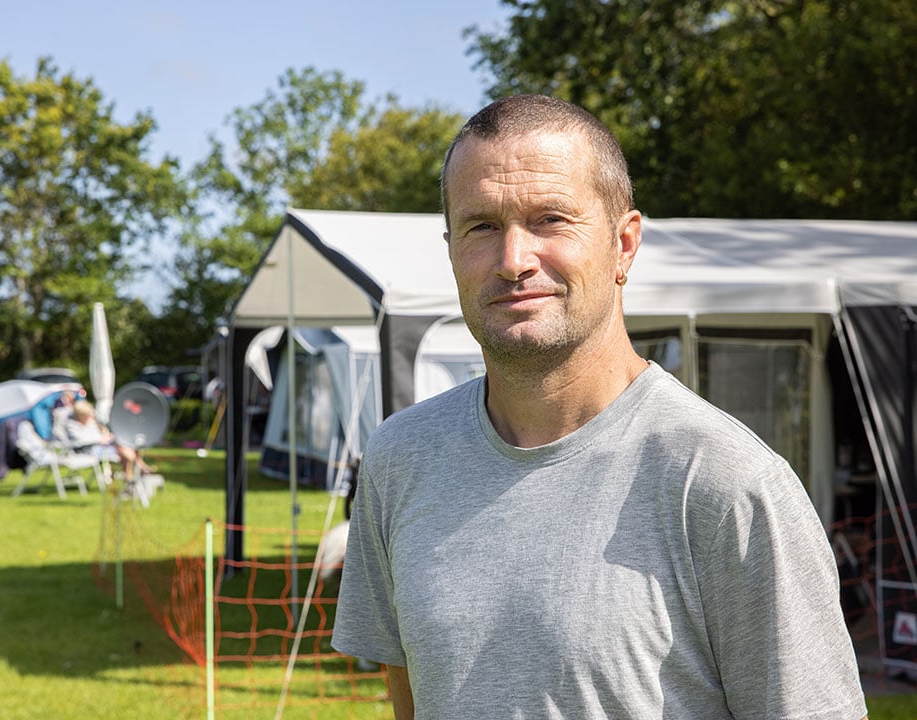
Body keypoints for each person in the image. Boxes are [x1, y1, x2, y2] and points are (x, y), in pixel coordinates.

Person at [330, 95, 867, 719]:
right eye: (481, 226)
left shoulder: (727, 484)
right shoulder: (401, 457)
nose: (513, 260)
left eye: (551, 219)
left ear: (624, 245)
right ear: (450, 246)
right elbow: (413, 702)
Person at [65, 399, 151, 485]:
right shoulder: (72, 425)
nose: (89, 417)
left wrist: (104, 435)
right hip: (88, 450)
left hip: (102, 446)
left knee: (126, 444)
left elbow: (98, 434)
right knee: (124, 451)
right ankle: (137, 469)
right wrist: (100, 439)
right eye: (86, 415)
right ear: (80, 415)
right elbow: (81, 440)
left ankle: (132, 475)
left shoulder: (90, 422)